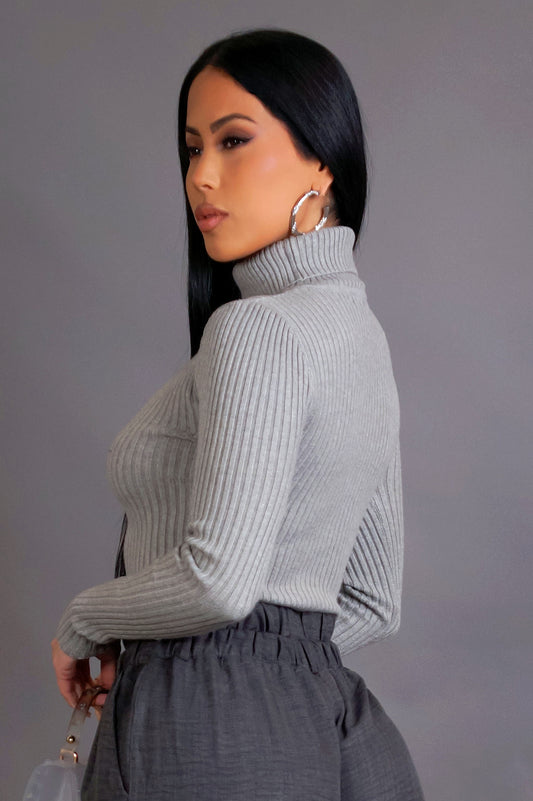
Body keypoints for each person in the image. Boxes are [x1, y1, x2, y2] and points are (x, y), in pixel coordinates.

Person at [51, 27, 425, 801]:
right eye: (192, 149)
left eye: (232, 140)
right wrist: (260, 666)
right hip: (322, 722)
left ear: (322, 161)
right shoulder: (360, 337)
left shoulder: (256, 327)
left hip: (203, 730)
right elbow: (371, 601)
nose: (201, 176)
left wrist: (88, 621)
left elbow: (218, 580)